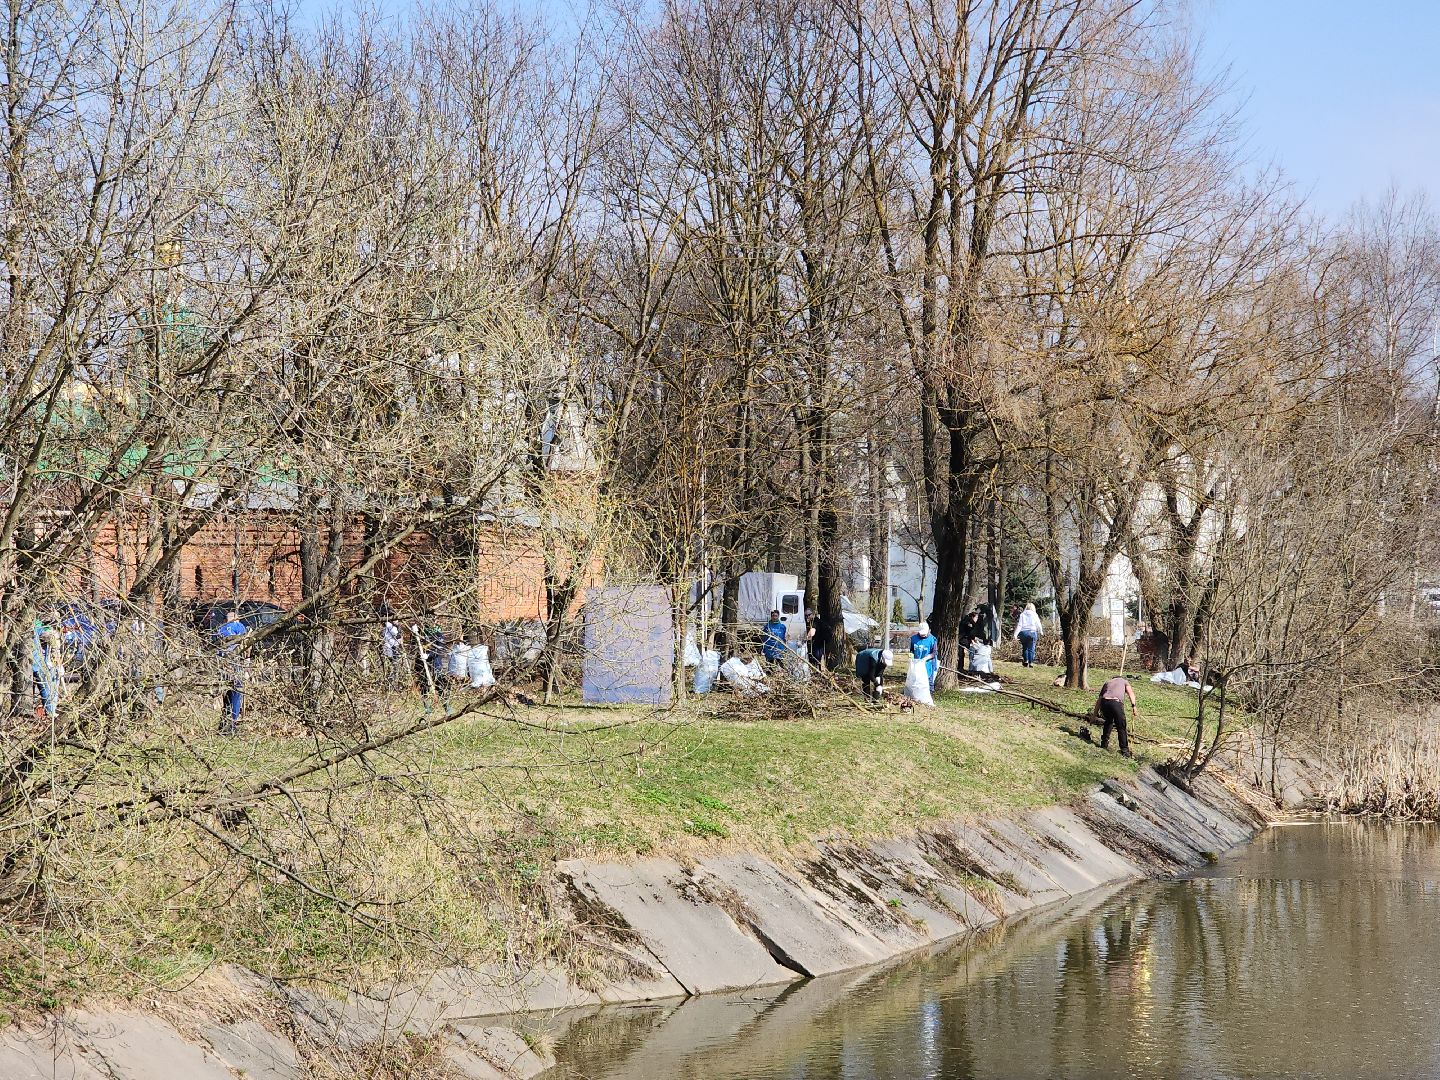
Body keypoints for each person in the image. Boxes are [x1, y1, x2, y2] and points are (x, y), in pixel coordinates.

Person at [214, 608, 249, 735]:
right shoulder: (239, 626)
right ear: (236, 619)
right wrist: (247, 664)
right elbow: (245, 645)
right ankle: (232, 724)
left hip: (223, 666)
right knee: (237, 694)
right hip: (235, 665)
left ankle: (224, 723)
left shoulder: (219, 629)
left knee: (227, 694)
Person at [1091, 674, 1140, 757]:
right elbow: (1131, 693)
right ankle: (1125, 751)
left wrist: (1094, 715)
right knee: (1121, 726)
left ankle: (1104, 743)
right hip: (1115, 703)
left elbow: (1099, 700)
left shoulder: (1107, 682)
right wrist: (1134, 706)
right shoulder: (1124, 681)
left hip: (1104, 703)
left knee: (1109, 721)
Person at [909, 620, 938, 689]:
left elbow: (934, 653)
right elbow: (911, 650)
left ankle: (929, 694)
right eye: (921, 633)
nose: (923, 635)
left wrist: (926, 658)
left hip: (928, 664)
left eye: (924, 633)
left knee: (928, 682)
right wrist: (911, 656)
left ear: (928, 630)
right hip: (917, 663)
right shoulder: (913, 638)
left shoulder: (932, 639)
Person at [1014, 602, 1042, 668]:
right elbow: (1038, 623)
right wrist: (1041, 631)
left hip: (1023, 632)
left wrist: (1015, 634)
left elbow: (1020, 625)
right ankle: (1031, 662)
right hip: (1032, 632)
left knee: (1025, 647)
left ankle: (1026, 660)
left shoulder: (1022, 614)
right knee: (1031, 648)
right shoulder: (1035, 614)